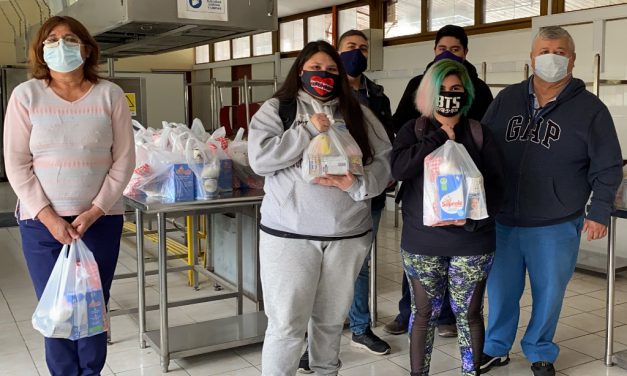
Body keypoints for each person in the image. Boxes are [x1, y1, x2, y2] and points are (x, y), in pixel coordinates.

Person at [479, 26, 622, 376]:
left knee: (549, 294)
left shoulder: (591, 110)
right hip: (503, 221)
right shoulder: (506, 99)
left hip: (556, 222)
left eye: (558, 51)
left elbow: (608, 166)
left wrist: (599, 210)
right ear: (531, 59)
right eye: (543, 51)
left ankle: (540, 349)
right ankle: (496, 348)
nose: (550, 58)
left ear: (571, 59)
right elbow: (480, 148)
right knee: (500, 291)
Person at [248, 40, 392, 376]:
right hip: (289, 236)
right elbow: (260, 159)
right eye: (315, 69)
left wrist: (357, 184)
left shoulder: (358, 112)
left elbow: (385, 160)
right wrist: (309, 129)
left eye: (330, 70)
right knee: (285, 325)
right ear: (300, 71)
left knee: (329, 323)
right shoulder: (278, 109)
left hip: (346, 234)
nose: (322, 75)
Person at [4, 16, 135, 376]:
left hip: (100, 220)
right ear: (40, 51)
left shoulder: (109, 95)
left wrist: (93, 212)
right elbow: (16, 163)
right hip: (41, 224)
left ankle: (91, 372)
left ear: (87, 48)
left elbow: (124, 160)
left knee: (94, 307)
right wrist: (49, 217)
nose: (60, 45)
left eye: (70, 38)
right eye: (52, 39)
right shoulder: (26, 95)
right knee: (57, 308)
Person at [391, 59, 503, 376]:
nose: (449, 95)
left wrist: (470, 220)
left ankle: (471, 371)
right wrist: (439, 137)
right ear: (428, 93)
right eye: (441, 89)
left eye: (456, 89)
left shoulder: (481, 133)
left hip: (472, 241)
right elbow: (399, 170)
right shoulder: (412, 132)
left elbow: (498, 188)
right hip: (422, 242)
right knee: (423, 312)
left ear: (466, 93)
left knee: (469, 313)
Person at [297, 29, 394, 373]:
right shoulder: (306, 102)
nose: (357, 53)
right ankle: (313, 343)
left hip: (365, 195)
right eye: (350, 47)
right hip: (320, 203)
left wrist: (371, 181)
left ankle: (360, 327)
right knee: (316, 276)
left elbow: (385, 143)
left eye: (363, 48)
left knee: (360, 267)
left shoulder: (375, 96)